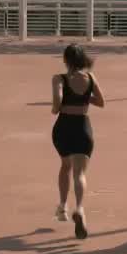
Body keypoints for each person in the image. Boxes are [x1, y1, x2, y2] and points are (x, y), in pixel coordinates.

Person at [51, 44, 104, 239]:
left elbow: (56, 105)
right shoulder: (90, 78)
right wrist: (84, 97)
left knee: (65, 165)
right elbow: (101, 102)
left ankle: (63, 207)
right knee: (79, 172)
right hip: (83, 127)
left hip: (64, 127)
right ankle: (80, 208)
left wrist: (58, 105)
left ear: (66, 60)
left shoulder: (59, 79)